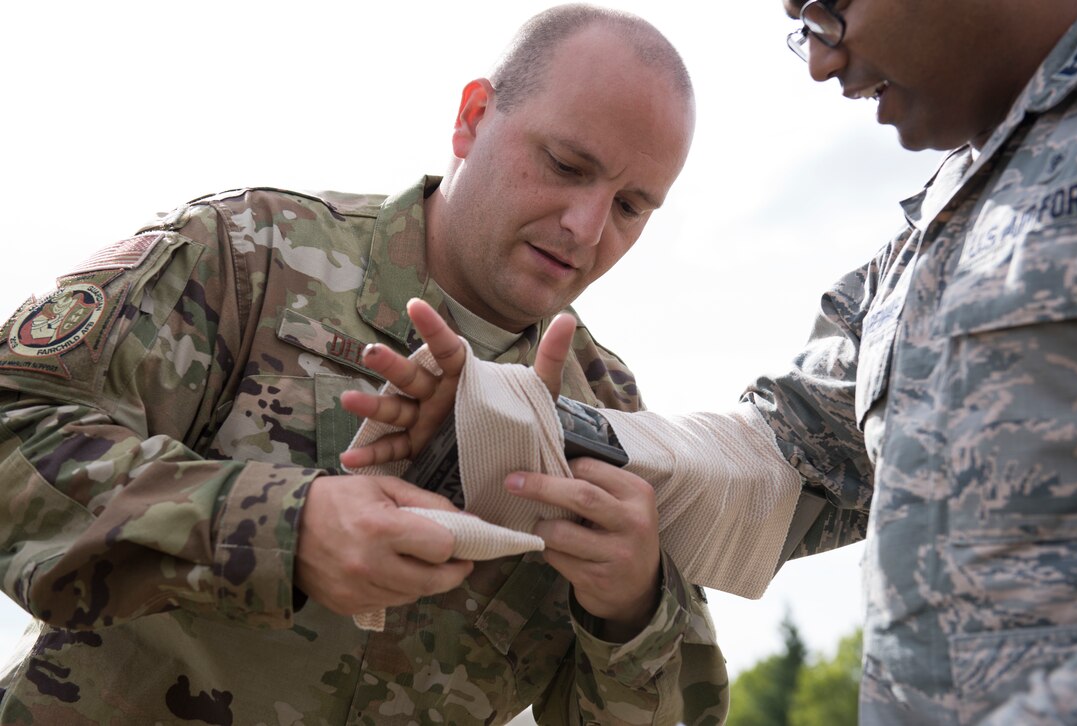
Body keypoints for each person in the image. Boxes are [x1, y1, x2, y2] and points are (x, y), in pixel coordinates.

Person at [350, 1, 1077, 723]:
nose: (822, 59)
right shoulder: (941, 226)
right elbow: (792, 446)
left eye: (830, 7)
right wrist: (502, 423)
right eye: (802, 28)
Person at [0, 5, 730, 724]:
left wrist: (631, 608)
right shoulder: (248, 257)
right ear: (472, 119)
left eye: (631, 207)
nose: (587, 227)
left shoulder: (609, 412)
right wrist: (285, 530)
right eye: (567, 165)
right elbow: (13, 426)